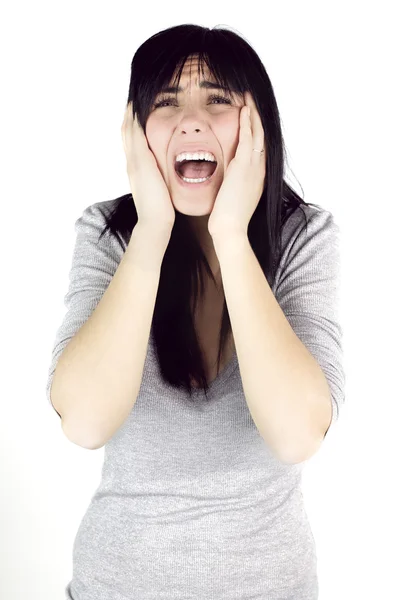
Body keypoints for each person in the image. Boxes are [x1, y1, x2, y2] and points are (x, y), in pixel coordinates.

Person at [46, 23, 345, 600]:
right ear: (137, 132)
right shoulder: (107, 235)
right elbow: (83, 422)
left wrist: (230, 234)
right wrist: (153, 228)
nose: (191, 119)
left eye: (216, 99)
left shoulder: (305, 236)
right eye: (164, 102)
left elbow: (298, 434)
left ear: (258, 125)